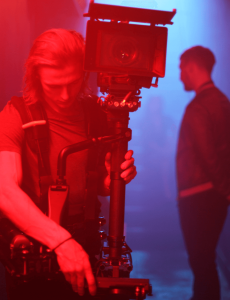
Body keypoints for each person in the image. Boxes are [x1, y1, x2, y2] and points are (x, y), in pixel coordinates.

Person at [0, 28, 137, 299]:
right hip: (36, 247)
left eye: (73, 83)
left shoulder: (97, 115)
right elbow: (5, 191)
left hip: (86, 242)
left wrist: (111, 181)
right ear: (35, 76)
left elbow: (99, 186)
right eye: (54, 86)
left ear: (85, 74)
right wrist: (62, 242)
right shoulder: (15, 114)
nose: (64, 95)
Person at [176, 46, 230, 300]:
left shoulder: (198, 107)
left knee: (201, 261)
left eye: (181, 68)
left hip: (198, 195)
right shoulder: (225, 103)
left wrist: (226, 187)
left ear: (192, 67)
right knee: (205, 259)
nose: (180, 75)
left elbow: (207, 155)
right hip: (213, 194)